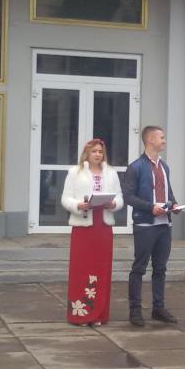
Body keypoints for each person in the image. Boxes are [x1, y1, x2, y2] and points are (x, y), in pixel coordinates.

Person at [121, 125, 182, 327]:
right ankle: (135, 311)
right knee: (139, 268)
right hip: (146, 225)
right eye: (161, 137)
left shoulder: (164, 167)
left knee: (160, 268)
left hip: (164, 225)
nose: (164, 141)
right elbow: (128, 197)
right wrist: (150, 208)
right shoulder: (135, 167)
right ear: (150, 140)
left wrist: (174, 205)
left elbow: (168, 193)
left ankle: (158, 308)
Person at [60, 139, 123, 326]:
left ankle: (98, 314)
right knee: (81, 270)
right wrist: (78, 205)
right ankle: (80, 315)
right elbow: (65, 198)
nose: (97, 154)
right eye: (94, 151)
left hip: (103, 228)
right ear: (87, 153)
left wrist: (113, 204)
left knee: (101, 269)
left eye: (100, 151)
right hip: (83, 228)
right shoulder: (75, 172)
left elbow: (120, 197)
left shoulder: (111, 173)